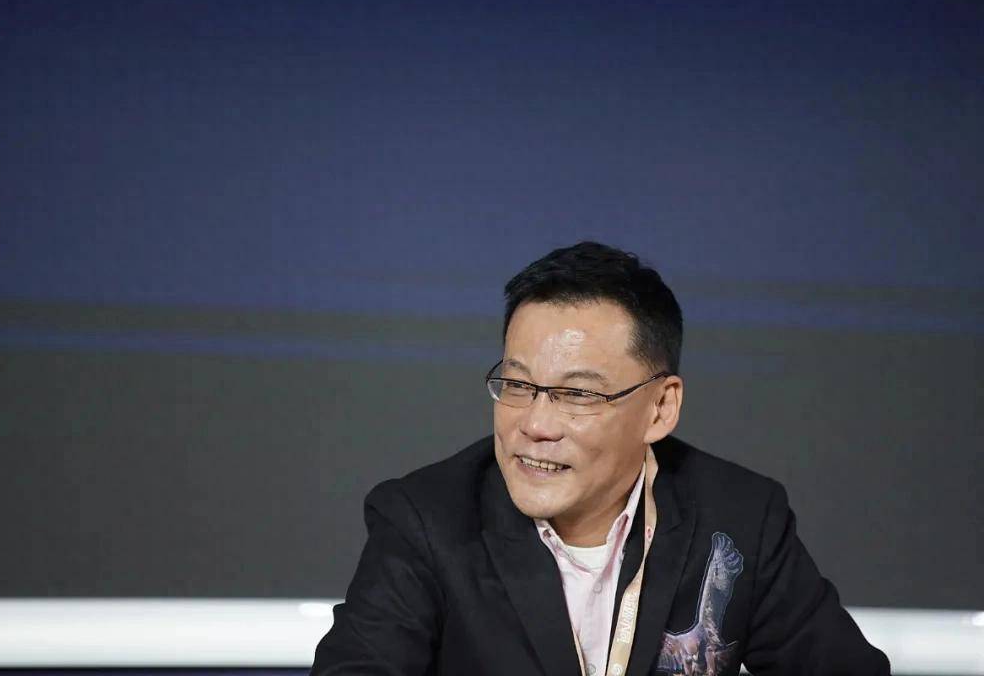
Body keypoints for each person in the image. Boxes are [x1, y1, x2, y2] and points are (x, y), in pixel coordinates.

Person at [311, 242, 890, 676]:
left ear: (660, 408)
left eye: (578, 394)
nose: (534, 425)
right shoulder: (424, 520)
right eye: (517, 385)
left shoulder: (740, 518)